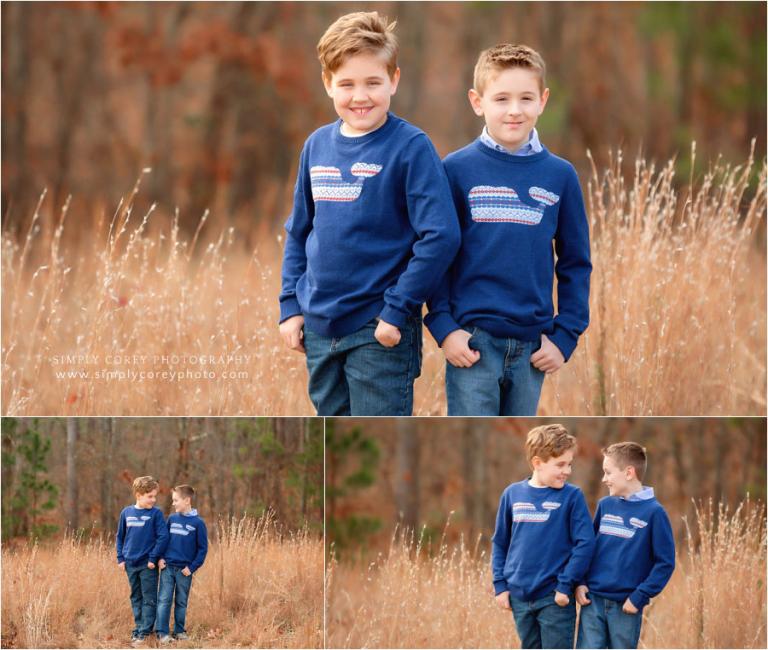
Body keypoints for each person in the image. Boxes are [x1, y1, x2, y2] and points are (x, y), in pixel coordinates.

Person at [278, 11, 460, 416]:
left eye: (373, 83)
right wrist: (290, 306)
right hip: (319, 326)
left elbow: (440, 236)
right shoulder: (316, 146)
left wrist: (396, 310)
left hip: (380, 329)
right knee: (334, 440)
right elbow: (299, 232)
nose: (360, 96)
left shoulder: (411, 147)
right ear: (328, 84)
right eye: (347, 84)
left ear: (394, 80)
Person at [426, 44, 592, 415]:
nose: (514, 110)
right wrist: (444, 326)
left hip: (533, 346)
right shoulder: (455, 170)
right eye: (501, 98)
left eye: (526, 98)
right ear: (477, 101)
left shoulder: (560, 176)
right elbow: (436, 252)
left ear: (543, 101)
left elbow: (575, 262)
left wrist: (564, 335)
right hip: (472, 341)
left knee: (516, 435)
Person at [491, 424, 595, 649]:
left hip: (554, 596)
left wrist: (566, 584)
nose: (567, 471)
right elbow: (500, 543)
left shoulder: (572, 496)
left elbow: (585, 544)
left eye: (569, 464)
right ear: (537, 463)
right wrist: (500, 586)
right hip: (519, 596)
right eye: (560, 464)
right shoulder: (512, 494)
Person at [576, 442, 675, 649]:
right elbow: (589, 548)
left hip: (626, 606)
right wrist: (581, 582)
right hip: (592, 601)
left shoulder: (654, 513)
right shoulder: (605, 505)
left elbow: (665, 563)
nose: (604, 479)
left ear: (629, 472)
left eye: (608, 472)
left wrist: (639, 596)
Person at [116, 476, 169, 646]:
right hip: (130, 563)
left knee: (149, 598)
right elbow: (120, 537)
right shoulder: (126, 513)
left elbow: (163, 537)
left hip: (148, 564)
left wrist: (153, 557)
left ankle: (145, 632)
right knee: (135, 596)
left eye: (155, 496)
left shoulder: (156, 513)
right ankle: (139, 627)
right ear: (138, 495)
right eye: (150, 496)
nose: (153, 500)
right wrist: (120, 557)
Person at [156, 484, 209, 644]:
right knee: (164, 599)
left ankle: (179, 631)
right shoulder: (172, 519)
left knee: (181, 601)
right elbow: (163, 540)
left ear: (187, 500)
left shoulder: (198, 523)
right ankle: (162, 633)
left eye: (176, 500)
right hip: (167, 567)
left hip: (184, 570)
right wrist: (160, 558)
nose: (173, 504)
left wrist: (191, 568)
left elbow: (202, 549)